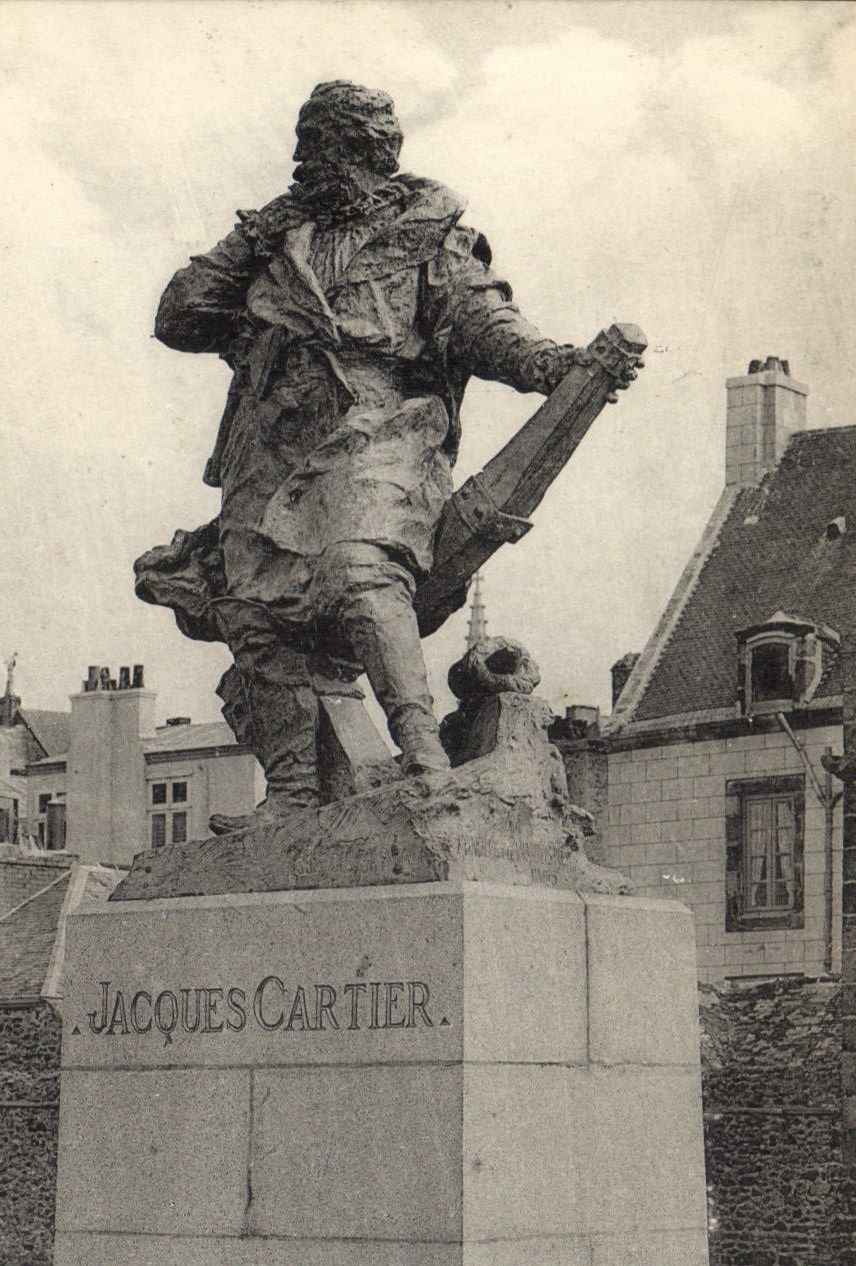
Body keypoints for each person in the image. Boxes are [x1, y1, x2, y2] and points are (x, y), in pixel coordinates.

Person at [154, 80, 587, 830]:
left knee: (360, 571)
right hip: (269, 448)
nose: (297, 161)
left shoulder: (428, 230)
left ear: (356, 153)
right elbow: (178, 316)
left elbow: (481, 319)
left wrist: (547, 364)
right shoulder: (273, 242)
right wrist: (251, 239)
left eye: (313, 145)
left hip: (377, 432)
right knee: (252, 614)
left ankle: (422, 755)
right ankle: (291, 790)